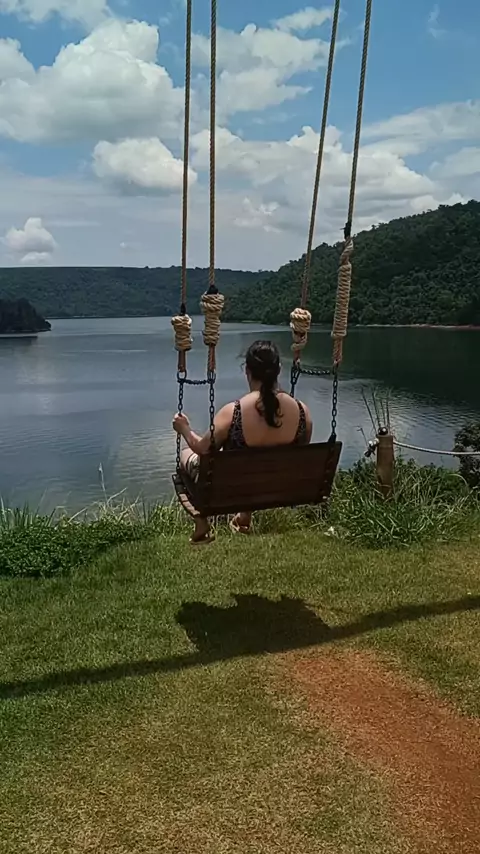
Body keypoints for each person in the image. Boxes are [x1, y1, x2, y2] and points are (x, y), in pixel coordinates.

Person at [173, 340, 313, 544]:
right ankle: (244, 518)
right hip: (279, 489)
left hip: (233, 488)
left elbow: (203, 449)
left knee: (186, 454)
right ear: (278, 370)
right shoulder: (302, 412)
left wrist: (184, 429)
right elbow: (301, 454)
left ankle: (201, 521)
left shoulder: (234, 412)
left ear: (247, 370)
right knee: (254, 468)